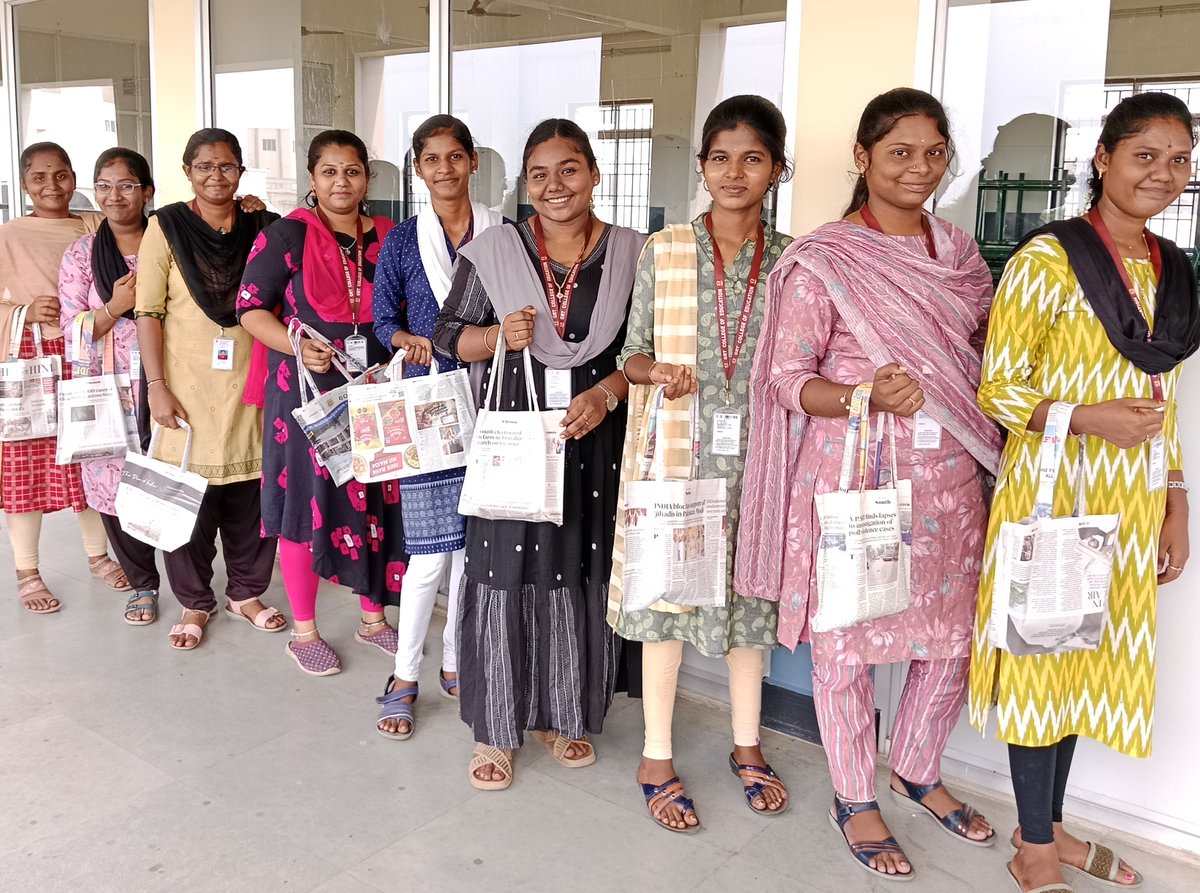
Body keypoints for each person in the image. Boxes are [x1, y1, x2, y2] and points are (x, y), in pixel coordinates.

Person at [737, 88, 1003, 879]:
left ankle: (917, 767)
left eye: (933, 152)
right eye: (899, 152)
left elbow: (981, 356)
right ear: (863, 158)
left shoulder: (958, 256)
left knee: (951, 637)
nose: (919, 168)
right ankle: (854, 795)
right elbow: (786, 379)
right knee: (849, 644)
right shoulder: (825, 259)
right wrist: (863, 396)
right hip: (854, 475)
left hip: (950, 479)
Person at [969, 91, 1196, 893]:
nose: (1164, 174)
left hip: (1131, 502)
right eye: (1145, 156)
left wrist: (1176, 493)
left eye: (1179, 159)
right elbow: (996, 388)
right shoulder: (1048, 260)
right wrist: (1087, 417)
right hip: (1056, 496)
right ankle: (1032, 846)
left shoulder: (1172, 269)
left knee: (1080, 665)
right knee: (1041, 663)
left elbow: (1162, 402)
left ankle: (1052, 825)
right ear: (1103, 158)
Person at [433, 118, 646, 789]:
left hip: (593, 439)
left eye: (570, 169)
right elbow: (445, 337)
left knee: (576, 569)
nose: (555, 186)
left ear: (595, 174)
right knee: (502, 573)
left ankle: (561, 713)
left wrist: (609, 394)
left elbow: (642, 350)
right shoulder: (495, 250)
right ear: (525, 183)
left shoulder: (634, 253)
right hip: (515, 442)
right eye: (540, 174)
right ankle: (495, 728)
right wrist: (497, 332)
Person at [608, 95, 794, 833]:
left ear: (777, 169)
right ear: (703, 166)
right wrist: (655, 374)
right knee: (667, 600)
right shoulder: (667, 249)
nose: (735, 172)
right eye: (721, 157)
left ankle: (746, 744)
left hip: (761, 455)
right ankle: (657, 753)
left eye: (753, 157)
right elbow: (632, 350)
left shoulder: (793, 260)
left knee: (750, 604)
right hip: (677, 456)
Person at [239, 129, 405, 675]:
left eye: (352, 170)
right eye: (329, 171)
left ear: (367, 177)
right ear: (312, 178)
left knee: (376, 498)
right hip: (306, 392)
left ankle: (372, 619)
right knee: (303, 507)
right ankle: (305, 630)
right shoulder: (285, 236)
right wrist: (295, 344)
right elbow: (250, 309)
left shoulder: (389, 235)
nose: (342, 181)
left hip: (375, 390)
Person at [371, 115, 505, 731]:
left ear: (473, 162)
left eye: (456, 157)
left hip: (495, 399)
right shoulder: (402, 241)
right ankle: (405, 673)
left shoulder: (506, 234)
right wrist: (407, 339)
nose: (445, 169)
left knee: (471, 553)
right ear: (418, 168)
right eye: (432, 159)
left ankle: (455, 658)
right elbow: (381, 323)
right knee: (428, 555)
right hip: (430, 407)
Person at [135, 128, 284, 650]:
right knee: (186, 500)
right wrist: (156, 386)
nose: (215, 176)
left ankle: (245, 594)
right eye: (204, 167)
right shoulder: (166, 227)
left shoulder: (264, 226)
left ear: (241, 171)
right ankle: (195, 601)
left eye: (226, 166)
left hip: (251, 380)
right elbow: (148, 312)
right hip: (185, 384)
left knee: (250, 495)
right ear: (187, 172)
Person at [0, 142, 129, 614]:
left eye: (60, 175)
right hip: (31, 358)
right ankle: (27, 570)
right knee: (26, 463)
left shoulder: (96, 225)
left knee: (91, 454)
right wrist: (21, 311)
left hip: (88, 355)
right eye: (39, 177)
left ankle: (99, 556)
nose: (51, 186)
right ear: (24, 182)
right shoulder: (7, 236)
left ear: (74, 178)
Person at [58, 148, 161, 624]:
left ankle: (190, 583)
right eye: (104, 185)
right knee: (113, 487)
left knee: (171, 479)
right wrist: (115, 306)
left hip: (163, 381)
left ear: (147, 191)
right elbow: (70, 332)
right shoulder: (81, 254)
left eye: (125, 184)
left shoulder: (169, 242)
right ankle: (142, 583)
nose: (114, 195)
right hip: (108, 390)